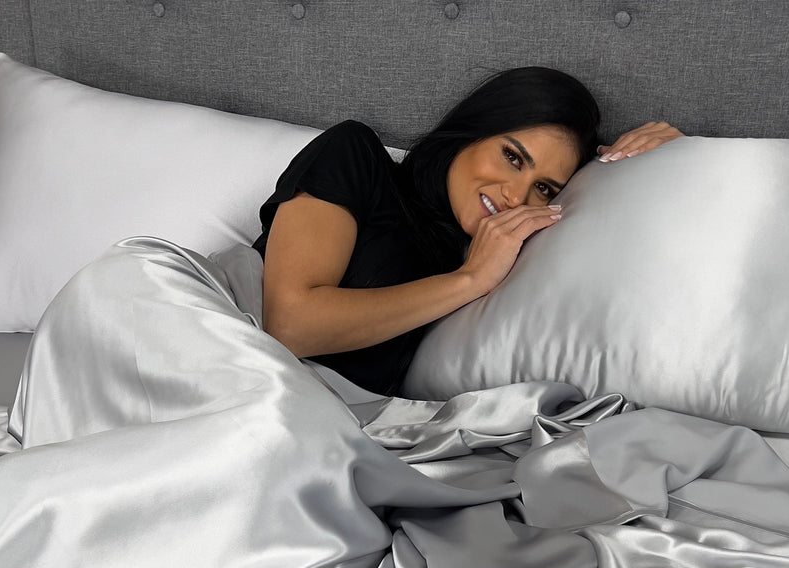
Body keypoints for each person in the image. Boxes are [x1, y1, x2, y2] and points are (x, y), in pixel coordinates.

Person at [253, 67, 681, 395]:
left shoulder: (502, 251)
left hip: (326, 423)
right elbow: (290, 326)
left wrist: (657, 157)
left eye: (543, 188)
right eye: (513, 157)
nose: (516, 196)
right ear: (471, 132)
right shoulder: (355, 156)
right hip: (234, 366)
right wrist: (469, 279)